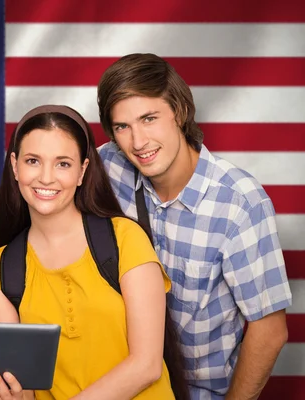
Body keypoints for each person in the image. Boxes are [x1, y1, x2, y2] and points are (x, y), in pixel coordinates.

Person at [96, 53, 292, 399]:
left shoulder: (238, 202)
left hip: (196, 392)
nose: (138, 142)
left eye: (149, 118)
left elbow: (269, 330)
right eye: (122, 127)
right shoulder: (108, 166)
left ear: (180, 112)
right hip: (118, 384)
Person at [0, 105, 186, 400]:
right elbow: (25, 388)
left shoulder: (125, 239)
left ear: (82, 171)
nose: (46, 178)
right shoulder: (1, 270)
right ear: (15, 166)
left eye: (63, 164)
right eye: (33, 161)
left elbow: (146, 365)